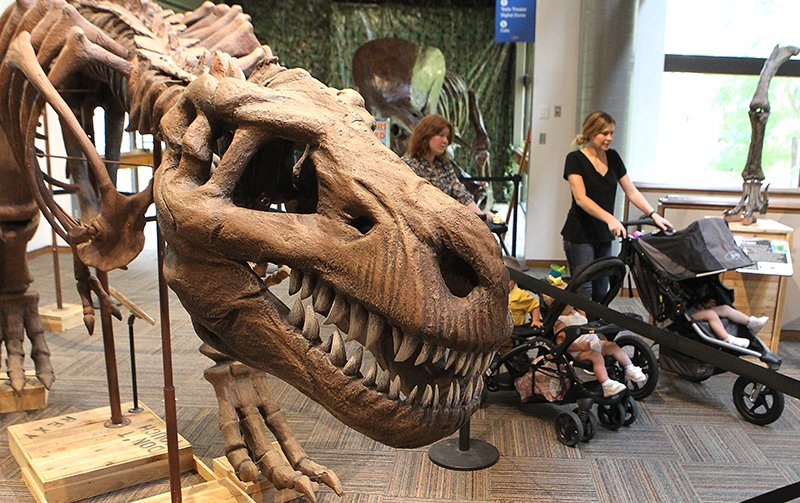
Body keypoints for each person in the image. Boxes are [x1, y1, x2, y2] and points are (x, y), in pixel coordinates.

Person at [561, 110, 673, 301]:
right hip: (580, 234)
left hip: (603, 233)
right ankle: (583, 330)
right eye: (604, 133)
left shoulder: (613, 157)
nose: (609, 138)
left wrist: (653, 214)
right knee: (584, 288)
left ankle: (598, 330)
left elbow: (632, 191)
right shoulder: (575, 159)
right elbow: (581, 199)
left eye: (611, 133)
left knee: (601, 288)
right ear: (591, 132)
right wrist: (611, 219)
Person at [548, 276, 647, 397]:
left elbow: (589, 324)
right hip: (578, 351)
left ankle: (629, 367)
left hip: (593, 341)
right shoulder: (560, 321)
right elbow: (561, 343)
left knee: (612, 346)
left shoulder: (577, 313)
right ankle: (606, 384)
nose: (569, 306)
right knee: (596, 357)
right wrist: (580, 346)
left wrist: (600, 336)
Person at [403, 114, 495, 222]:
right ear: (426, 135)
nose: (445, 141)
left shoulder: (444, 165)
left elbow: (461, 194)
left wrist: (481, 216)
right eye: (441, 135)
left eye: (447, 137)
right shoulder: (406, 165)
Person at [690, 298, 768, 348]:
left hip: (695, 308)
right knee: (710, 314)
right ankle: (728, 339)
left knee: (725, 308)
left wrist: (705, 306)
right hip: (687, 314)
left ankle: (751, 323)